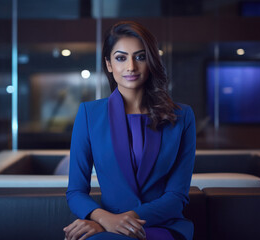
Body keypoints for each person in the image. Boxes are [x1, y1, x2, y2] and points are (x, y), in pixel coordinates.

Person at [63, 21, 196, 240]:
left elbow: (177, 196)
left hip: (160, 225)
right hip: (107, 223)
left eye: (140, 57)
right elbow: (76, 192)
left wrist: (120, 222)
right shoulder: (89, 114)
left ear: (151, 61)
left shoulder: (182, 116)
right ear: (108, 64)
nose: (131, 67)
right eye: (121, 58)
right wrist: (106, 220)